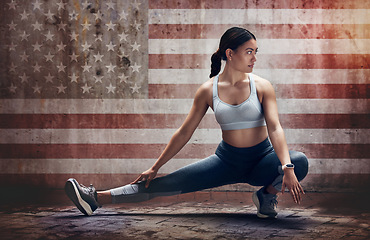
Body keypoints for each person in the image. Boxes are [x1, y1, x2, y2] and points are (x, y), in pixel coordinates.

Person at [65, 27, 309, 219]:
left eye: (256, 52)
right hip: (226, 162)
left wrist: (286, 167)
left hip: (262, 160)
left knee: (298, 161)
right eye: (249, 51)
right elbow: (184, 133)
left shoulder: (262, 86)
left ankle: (266, 197)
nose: (255, 58)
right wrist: (155, 166)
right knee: (165, 184)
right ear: (230, 53)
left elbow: (275, 127)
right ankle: (95, 198)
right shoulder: (208, 90)